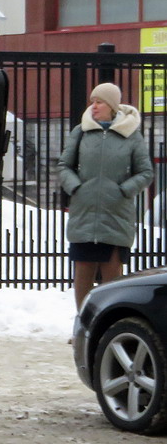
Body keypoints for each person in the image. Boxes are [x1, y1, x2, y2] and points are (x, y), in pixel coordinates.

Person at [58, 82, 152, 309]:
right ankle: (83, 326)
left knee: (112, 281)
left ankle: (106, 326)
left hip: (116, 217)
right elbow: (64, 166)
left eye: (99, 101)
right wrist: (77, 187)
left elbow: (146, 172)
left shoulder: (131, 135)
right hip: (84, 217)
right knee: (83, 278)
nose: (94, 106)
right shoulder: (80, 132)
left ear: (111, 105)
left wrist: (124, 190)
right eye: (92, 101)